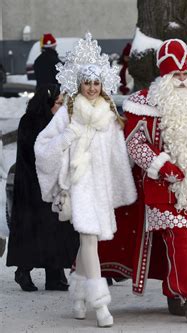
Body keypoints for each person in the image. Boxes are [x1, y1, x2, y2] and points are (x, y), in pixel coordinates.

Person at [98, 38, 187, 323]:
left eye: (186, 74)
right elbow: (135, 144)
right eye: (176, 75)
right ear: (163, 75)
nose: (182, 80)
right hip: (161, 186)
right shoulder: (143, 103)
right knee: (179, 238)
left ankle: (174, 291)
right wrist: (162, 165)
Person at [34, 33, 137, 328]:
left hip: (100, 188)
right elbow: (42, 146)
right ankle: (100, 304)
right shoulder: (67, 115)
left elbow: (120, 156)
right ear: (78, 84)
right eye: (86, 83)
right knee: (90, 239)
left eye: (96, 83)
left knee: (87, 241)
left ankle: (77, 295)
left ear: (102, 85)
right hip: (78, 186)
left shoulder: (110, 116)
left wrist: (122, 186)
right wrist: (68, 137)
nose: (91, 88)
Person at [6, 84, 79, 292]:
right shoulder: (31, 121)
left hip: (48, 184)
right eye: (58, 103)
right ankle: (23, 270)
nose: (61, 107)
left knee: (54, 230)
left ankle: (54, 276)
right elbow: (35, 152)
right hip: (31, 186)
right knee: (34, 231)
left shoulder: (52, 121)